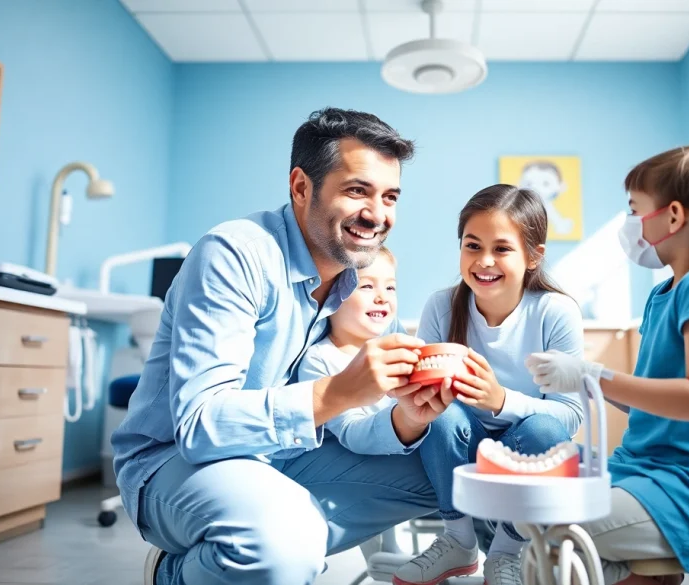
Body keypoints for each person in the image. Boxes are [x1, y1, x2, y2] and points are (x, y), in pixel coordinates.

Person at [110, 108, 454, 585]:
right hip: (172, 460)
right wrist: (338, 392)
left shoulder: (351, 278)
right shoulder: (233, 255)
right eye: (357, 190)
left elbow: (354, 420)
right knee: (284, 542)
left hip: (275, 455)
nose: (377, 214)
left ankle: (247, 553)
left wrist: (407, 417)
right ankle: (188, 572)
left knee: (445, 471)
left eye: (389, 196)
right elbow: (198, 426)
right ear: (301, 187)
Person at [526, 146, 689, 585]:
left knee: (558, 528)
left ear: (673, 216)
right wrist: (586, 383)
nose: (629, 223)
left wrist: (595, 375)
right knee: (538, 504)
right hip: (650, 473)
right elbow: (655, 406)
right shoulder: (665, 295)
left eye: (634, 209)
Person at [393, 185, 585, 585]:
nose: (484, 261)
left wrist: (501, 401)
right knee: (439, 415)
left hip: (529, 451)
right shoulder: (442, 307)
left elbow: (569, 417)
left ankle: (506, 550)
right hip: (460, 448)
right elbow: (423, 403)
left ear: (534, 256)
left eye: (502, 249)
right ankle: (458, 540)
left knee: (543, 427)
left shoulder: (555, 311)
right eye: (472, 245)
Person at [297, 247, 453, 456]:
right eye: (367, 286)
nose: (382, 297)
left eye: (390, 288)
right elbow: (351, 432)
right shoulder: (319, 360)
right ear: (330, 295)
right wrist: (408, 420)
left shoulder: (402, 348)